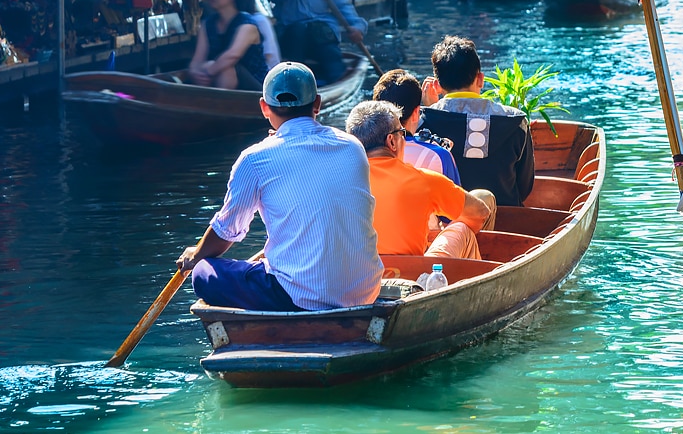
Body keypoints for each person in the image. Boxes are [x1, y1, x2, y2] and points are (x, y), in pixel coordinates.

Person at [179, 62, 383, 312]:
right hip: (365, 291)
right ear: (317, 103)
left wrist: (196, 255)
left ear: (264, 107)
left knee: (203, 273)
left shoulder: (254, 159)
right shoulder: (352, 146)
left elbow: (227, 231)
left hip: (301, 297)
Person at [348, 100, 496, 259]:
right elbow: (480, 213)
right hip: (413, 276)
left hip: (357, 277)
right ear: (392, 141)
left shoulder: (338, 183)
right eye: (402, 133)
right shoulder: (424, 180)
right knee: (467, 222)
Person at [420, 37, 536, 206]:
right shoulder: (515, 121)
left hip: (448, 223)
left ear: (437, 85)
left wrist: (431, 109)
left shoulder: (424, 121)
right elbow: (525, 186)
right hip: (507, 218)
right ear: (480, 79)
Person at [188, 0, 281, 90]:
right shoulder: (207, 24)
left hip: (256, 88)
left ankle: (222, 107)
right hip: (221, 80)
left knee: (226, 68)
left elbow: (232, 55)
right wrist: (195, 72)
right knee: (210, 65)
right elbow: (197, 60)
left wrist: (208, 72)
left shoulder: (247, 25)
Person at [372, 70, 459, 183]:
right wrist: (431, 108)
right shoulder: (439, 155)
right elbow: (456, 199)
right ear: (416, 113)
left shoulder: (362, 154)